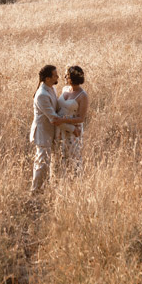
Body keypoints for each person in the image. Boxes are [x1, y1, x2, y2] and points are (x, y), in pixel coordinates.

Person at [29, 64, 82, 193]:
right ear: (48, 78)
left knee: (47, 162)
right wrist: (71, 128)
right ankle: (35, 190)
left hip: (51, 132)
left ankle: (43, 189)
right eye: (55, 75)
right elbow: (53, 118)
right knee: (42, 162)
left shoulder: (51, 89)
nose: (58, 76)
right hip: (43, 133)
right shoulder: (42, 95)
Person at [55, 65, 90, 177]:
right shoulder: (65, 89)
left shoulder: (82, 95)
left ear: (72, 77)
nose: (64, 77)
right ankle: (60, 179)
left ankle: (76, 180)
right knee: (60, 155)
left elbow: (81, 118)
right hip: (60, 127)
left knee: (73, 156)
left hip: (73, 130)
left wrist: (64, 120)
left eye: (67, 75)